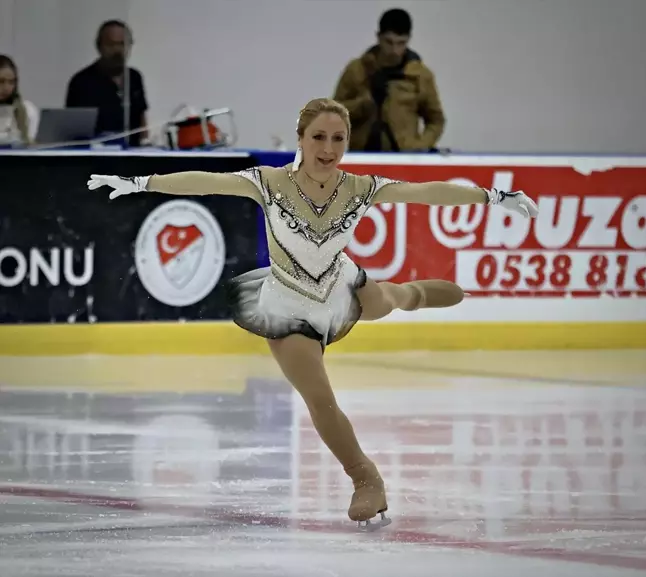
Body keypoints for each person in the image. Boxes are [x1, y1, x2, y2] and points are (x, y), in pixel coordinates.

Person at [87, 98, 538, 529]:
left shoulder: (362, 189)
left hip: (341, 286)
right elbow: (206, 179)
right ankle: (366, 478)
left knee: (384, 302)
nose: (328, 149)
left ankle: (411, 294)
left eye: (338, 139)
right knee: (320, 400)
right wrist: (140, 183)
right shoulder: (267, 182)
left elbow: (426, 192)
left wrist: (494, 197)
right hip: (287, 305)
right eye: (318, 137)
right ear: (300, 139)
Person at [333, 8, 445, 152]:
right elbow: (334, 114)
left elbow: (436, 119)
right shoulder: (357, 69)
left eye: (401, 43)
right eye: (389, 42)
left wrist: (421, 146)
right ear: (378, 37)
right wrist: (362, 104)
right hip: (362, 156)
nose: (394, 50)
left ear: (409, 39)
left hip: (403, 159)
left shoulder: (420, 75)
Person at [65, 20, 148, 146]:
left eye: (122, 44)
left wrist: (145, 143)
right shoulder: (82, 82)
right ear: (99, 46)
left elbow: (141, 120)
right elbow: (73, 131)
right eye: (111, 44)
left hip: (132, 154)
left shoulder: (134, 77)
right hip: (95, 157)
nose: (118, 50)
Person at [0, 55, 39, 146]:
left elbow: (29, 144)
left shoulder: (28, 110)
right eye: (1, 81)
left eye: (11, 82)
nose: (7, 88)